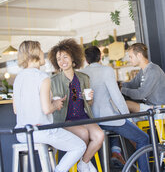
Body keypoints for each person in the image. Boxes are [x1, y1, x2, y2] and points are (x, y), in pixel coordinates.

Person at [13, 40, 87, 172]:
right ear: (35, 53)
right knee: (80, 146)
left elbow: (16, 110)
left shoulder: (18, 78)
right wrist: (56, 103)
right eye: (41, 50)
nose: (43, 53)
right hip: (41, 131)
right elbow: (47, 109)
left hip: (21, 133)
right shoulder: (42, 77)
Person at [82, 46, 150, 172]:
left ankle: (116, 152)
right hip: (110, 119)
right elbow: (117, 97)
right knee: (143, 138)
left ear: (86, 60)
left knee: (117, 132)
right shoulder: (106, 70)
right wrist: (127, 117)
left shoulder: (82, 73)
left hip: (93, 123)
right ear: (100, 57)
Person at [48, 38, 104, 172]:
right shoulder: (52, 81)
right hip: (65, 120)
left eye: (65, 57)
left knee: (99, 135)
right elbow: (49, 104)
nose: (62, 61)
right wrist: (55, 103)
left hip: (83, 117)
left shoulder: (84, 78)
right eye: (59, 58)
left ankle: (83, 163)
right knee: (84, 134)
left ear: (73, 58)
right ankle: (81, 164)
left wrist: (90, 99)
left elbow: (88, 103)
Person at [121, 43, 165, 113]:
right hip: (148, 106)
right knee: (122, 103)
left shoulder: (153, 70)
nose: (129, 60)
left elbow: (140, 94)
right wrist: (118, 85)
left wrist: (122, 90)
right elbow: (133, 84)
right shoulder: (143, 70)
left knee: (125, 104)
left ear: (139, 55)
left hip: (158, 109)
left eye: (131, 57)